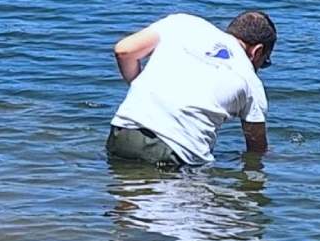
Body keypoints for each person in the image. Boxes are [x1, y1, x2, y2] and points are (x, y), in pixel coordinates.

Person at [106, 11, 276, 166]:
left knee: (127, 195)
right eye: (264, 62)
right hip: (176, 154)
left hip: (122, 132)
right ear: (257, 51)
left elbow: (124, 50)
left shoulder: (182, 23)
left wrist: (139, 86)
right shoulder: (251, 81)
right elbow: (256, 151)